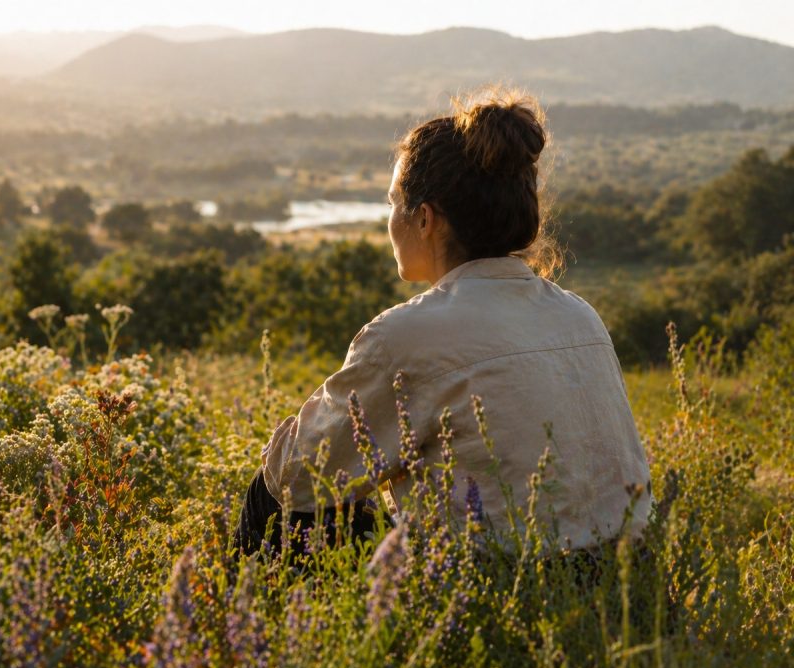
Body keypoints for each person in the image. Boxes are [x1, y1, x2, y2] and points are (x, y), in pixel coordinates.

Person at [232, 87, 652, 558]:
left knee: (272, 497)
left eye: (393, 203)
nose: (389, 218)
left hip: (498, 591)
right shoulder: (580, 315)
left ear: (425, 219)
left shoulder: (406, 337)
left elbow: (298, 477)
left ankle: (232, 628)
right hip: (624, 582)